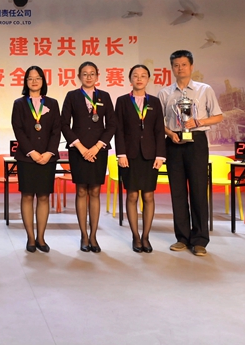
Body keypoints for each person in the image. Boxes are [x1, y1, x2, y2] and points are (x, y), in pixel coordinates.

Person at [158, 50, 223, 256]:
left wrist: (198, 122)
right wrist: (169, 133)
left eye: (184, 64)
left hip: (197, 141)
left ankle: (200, 240)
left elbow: (218, 116)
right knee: (177, 192)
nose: (180, 68)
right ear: (172, 68)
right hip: (174, 142)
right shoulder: (164, 93)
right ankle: (182, 238)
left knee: (198, 190)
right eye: (176, 65)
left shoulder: (204, 89)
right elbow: (158, 122)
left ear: (191, 66)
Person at [61, 61, 115, 253]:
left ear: (97, 76)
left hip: (98, 151)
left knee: (95, 191)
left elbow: (112, 125)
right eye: (85, 74)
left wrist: (98, 146)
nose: (89, 77)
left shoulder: (104, 96)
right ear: (79, 77)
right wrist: (82, 148)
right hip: (78, 150)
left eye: (92, 73)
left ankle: (93, 236)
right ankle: (84, 235)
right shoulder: (72, 96)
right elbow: (64, 124)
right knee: (81, 191)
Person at [114, 65, 166, 254]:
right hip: (130, 156)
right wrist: (121, 154)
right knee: (132, 195)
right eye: (135, 75)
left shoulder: (155, 102)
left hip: (150, 156)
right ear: (130, 79)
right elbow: (118, 129)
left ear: (148, 80)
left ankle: (146, 237)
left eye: (143, 76)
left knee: (148, 196)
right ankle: (136, 236)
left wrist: (160, 155)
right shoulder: (122, 101)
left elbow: (159, 130)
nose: (139, 78)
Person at [11, 66, 61, 253]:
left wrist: (49, 152)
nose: (34, 81)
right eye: (30, 78)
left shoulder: (53, 103)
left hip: (47, 158)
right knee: (27, 195)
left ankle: (41, 238)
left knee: (43, 196)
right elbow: (18, 129)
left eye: (38, 78)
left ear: (43, 81)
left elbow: (56, 130)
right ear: (26, 82)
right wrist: (31, 151)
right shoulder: (19, 104)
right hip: (26, 158)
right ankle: (30, 238)